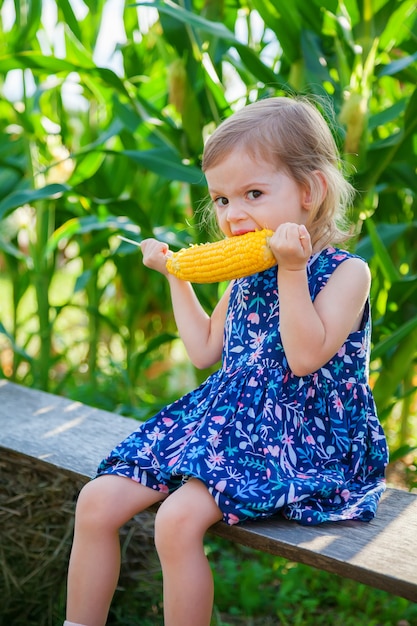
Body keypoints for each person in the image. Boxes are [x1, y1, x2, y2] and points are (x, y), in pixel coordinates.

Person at [64, 96, 388, 626]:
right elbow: (204, 351)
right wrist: (177, 277)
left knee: (176, 521)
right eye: (220, 199)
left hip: (303, 435)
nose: (232, 215)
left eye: (253, 194)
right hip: (230, 419)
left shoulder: (346, 273)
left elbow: (305, 358)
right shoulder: (242, 273)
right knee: (96, 502)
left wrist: (290, 270)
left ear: (311, 191)